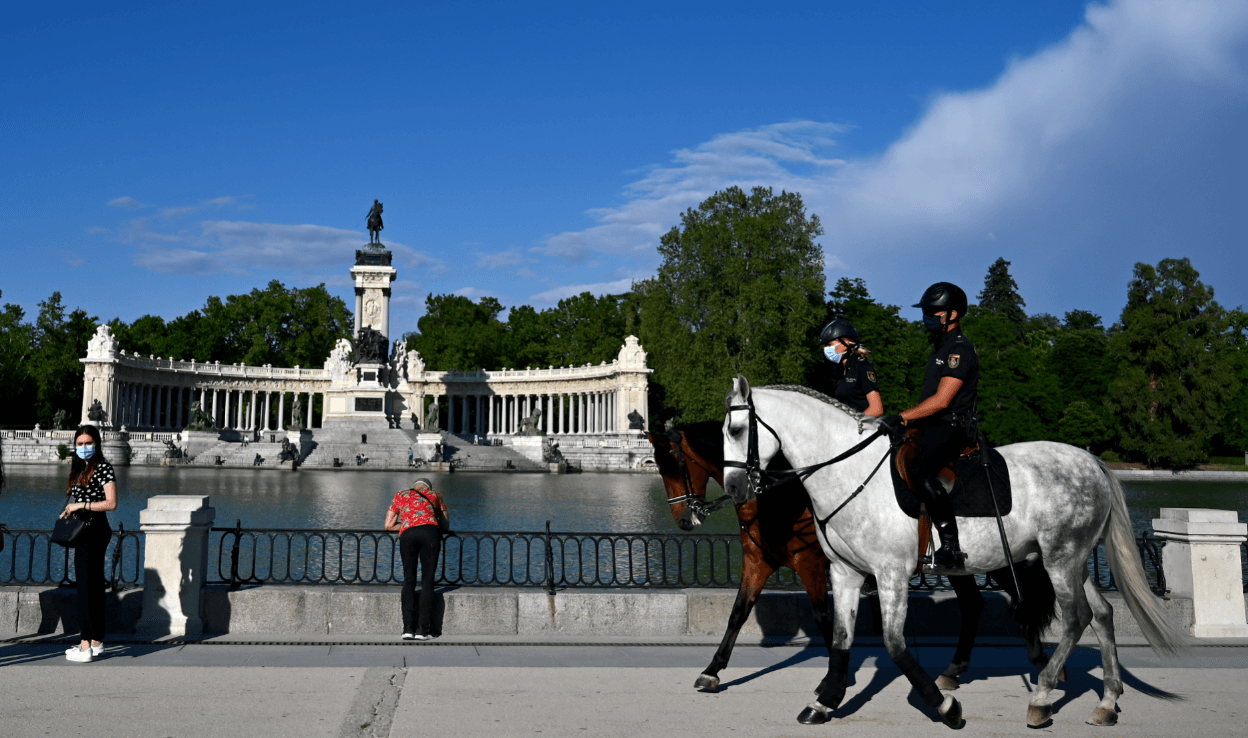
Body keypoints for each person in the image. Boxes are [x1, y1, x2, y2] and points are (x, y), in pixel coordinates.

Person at [877, 282, 980, 571]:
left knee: (919, 469)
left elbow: (942, 400)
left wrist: (901, 417)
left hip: (953, 426)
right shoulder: (942, 347)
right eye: (927, 312)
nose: (928, 317)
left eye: (934, 312)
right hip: (933, 425)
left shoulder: (959, 349)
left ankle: (950, 545)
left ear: (953, 314)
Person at [60, 424, 118, 662]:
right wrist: (70, 510)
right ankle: (96, 639)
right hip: (82, 528)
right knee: (92, 586)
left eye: (88, 443)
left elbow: (111, 502)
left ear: (97, 443)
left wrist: (80, 506)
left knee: (85, 587)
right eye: (80, 444)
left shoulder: (103, 467)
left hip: (94, 529)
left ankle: (85, 646)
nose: (84, 447)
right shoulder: (80, 467)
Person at [384, 478, 449, 640]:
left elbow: (388, 525)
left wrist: (408, 522)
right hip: (430, 533)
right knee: (427, 581)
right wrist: (428, 520)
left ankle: (407, 629)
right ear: (427, 488)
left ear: (414, 487)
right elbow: (446, 525)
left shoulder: (400, 495)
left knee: (409, 579)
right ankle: (422, 630)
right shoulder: (435, 495)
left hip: (408, 534)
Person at [820, 319, 884, 417]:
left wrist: (854, 423)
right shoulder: (840, 370)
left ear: (845, 343)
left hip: (862, 428)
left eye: (829, 345)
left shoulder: (863, 367)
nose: (826, 349)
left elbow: (877, 409)